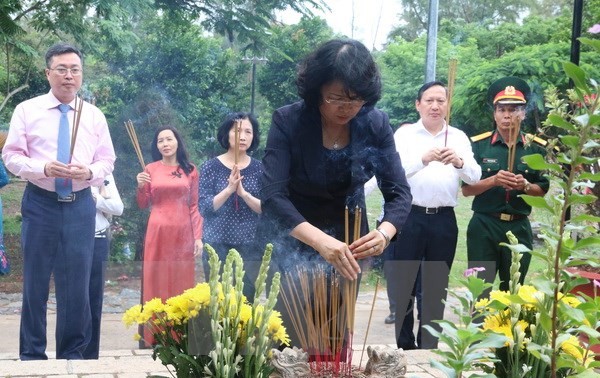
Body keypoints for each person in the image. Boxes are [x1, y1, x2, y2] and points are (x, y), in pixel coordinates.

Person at [259, 38, 412, 351]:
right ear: (317, 90)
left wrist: (384, 233)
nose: (347, 108)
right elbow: (272, 195)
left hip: (349, 239)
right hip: (295, 235)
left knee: (333, 337)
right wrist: (321, 242)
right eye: (336, 98)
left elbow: (399, 193)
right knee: (291, 339)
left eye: (356, 100)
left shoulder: (376, 123)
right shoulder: (288, 121)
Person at [2, 43, 116, 360]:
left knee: (76, 285)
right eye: (62, 69)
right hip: (40, 203)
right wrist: (42, 167)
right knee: (35, 282)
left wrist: (89, 171)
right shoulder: (27, 110)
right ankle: (32, 355)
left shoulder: (93, 116)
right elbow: (10, 157)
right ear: (48, 73)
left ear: (81, 74)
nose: (69, 75)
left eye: (75, 69)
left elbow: (107, 160)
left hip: (80, 205)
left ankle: (72, 355)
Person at [391, 81, 481, 350]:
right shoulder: (405, 136)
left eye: (441, 101)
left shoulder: (458, 137)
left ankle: (428, 345)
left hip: (443, 219)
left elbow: (475, 176)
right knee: (403, 282)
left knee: (435, 285)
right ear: (418, 104)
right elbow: (393, 172)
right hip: (408, 216)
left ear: (447, 105)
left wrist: (459, 162)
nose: (435, 106)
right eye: (429, 100)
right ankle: (404, 347)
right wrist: (423, 159)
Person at [462, 76, 549, 294]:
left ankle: (506, 328)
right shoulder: (479, 146)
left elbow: (542, 191)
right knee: (479, 290)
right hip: (484, 225)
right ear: (495, 113)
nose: (507, 115)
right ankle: (478, 328)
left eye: (514, 109)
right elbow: (466, 190)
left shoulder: (535, 148)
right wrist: (493, 181)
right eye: (502, 109)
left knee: (513, 290)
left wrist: (525, 186)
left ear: (524, 113)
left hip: (519, 225)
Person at [136, 125, 203, 347]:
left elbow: (194, 206)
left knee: (181, 279)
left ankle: (179, 334)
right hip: (158, 230)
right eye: (160, 141)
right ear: (157, 146)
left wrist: (197, 237)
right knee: (156, 278)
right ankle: (154, 335)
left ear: (177, 142)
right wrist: (140, 186)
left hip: (183, 231)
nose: (165, 144)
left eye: (169, 139)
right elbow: (143, 203)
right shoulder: (150, 168)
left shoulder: (190, 169)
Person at [199, 112, 262, 299]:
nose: (243, 137)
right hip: (216, 242)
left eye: (248, 132)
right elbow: (204, 208)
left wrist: (243, 193)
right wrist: (229, 189)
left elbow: (267, 208)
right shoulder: (210, 166)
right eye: (237, 131)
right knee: (218, 300)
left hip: (250, 243)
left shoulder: (260, 168)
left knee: (247, 300)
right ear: (227, 134)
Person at [83, 173, 123, 359]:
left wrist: (94, 197)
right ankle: (71, 352)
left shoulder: (102, 174)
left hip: (98, 237)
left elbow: (117, 207)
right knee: (72, 297)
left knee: (94, 298)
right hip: (68, 238)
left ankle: (91, 355)